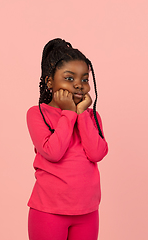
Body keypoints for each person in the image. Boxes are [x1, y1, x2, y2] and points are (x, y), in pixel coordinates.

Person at [26, 38, 108, 240]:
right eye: (69, 79)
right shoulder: (38, 114)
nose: (79, 85)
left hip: (87, 211)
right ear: (50, 82)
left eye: (84, 79)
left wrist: (81, 115)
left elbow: (97, 153)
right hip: (49, 212)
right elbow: (53, 153)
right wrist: (69, 113)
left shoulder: (91, 117)